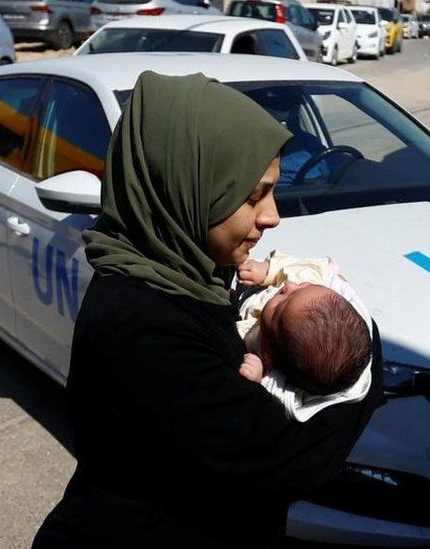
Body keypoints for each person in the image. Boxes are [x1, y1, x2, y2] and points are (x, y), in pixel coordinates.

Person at [32, 71, 382, 547]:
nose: (272, 216)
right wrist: (363, 363)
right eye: (254, 194)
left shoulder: (197, 273)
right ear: (185, 184)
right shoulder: (139, 322)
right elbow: (287, 459)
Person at [234, 252, 373, 422]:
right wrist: (268, 271)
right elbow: (303, 269)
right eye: (304, 286)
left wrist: (257, 375)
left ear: (270, 350)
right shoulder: (315, 284)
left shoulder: (263, 356)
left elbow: (270, 393)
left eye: (281, 304)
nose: (289, 286)